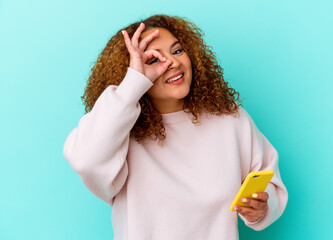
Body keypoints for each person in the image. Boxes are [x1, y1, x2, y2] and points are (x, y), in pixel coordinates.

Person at [63, 14, 288, 240]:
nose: (173, 63)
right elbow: (85, 160)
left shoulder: (230, 118)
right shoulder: (118, 133)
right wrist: (132, 84)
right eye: (153, 60)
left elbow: (268, 182)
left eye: (177, 51)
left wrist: (260, 209)